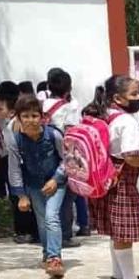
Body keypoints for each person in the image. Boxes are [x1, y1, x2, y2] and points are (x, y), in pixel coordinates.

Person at [88, 75, 139, 279]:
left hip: (103, 179)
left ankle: (117, 275)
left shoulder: (102, 117)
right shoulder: (127, 122)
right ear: (118, 98)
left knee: (115, 231)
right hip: (122, 181)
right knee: (124, 232)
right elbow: (131, 156)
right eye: (134, 94)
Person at [6, 95, 70, 279]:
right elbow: (14, 169)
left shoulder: (54, 135)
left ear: (42, 117)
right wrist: (21, 196)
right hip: (33, 185)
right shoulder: (15, 140)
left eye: (34, 116)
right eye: (25, 116)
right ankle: (47, 252)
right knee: (42, 221)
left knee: (51, 217)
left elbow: (67, 160)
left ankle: (55, 258)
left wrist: (56, 179)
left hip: (56, 183)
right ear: (18, 118)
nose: (30, 121)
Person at [42, 67, 87, 241]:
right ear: (69, 88)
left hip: (45, 151)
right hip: (63, 153)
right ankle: (65, 234)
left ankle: (47, 233)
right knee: (67, 194)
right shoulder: (71, 107)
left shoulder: (42, 105)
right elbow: (72, 133)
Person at [0, 81, 38, 245]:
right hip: (8, 160)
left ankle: (25, 231)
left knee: (19, 196)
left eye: (0, 109)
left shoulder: (16, 124)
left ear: (11, 111)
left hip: (15, 162)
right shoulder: (8, 121)